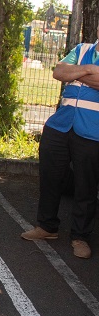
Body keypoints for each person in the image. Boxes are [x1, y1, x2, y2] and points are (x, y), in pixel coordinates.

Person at [21, 24, 99, 259]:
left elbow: (69, 74)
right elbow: (59, 72)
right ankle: (46, 226)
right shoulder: (83, 48)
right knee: (50, 176)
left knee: (86, 186)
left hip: (92, 131)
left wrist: (76, 74)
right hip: (60, 125)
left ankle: (80, 237)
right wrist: (88, 70)